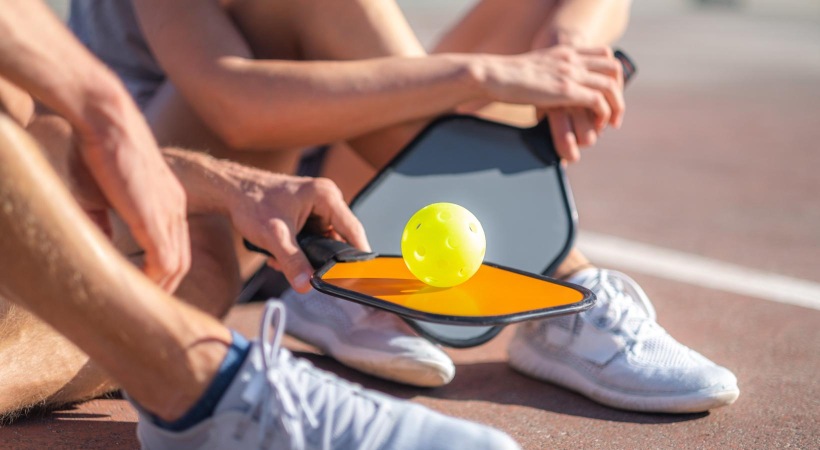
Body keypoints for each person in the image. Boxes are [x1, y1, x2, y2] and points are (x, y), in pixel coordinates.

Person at [65, 0, 740, 414]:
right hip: (182, 180)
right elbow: (232, 105)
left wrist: (569, 50)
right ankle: (561, 281)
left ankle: (352, 281)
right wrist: (481, 76)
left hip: (332, 162)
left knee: (540, 16)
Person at [0, 2, 524, 448]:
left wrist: (217, 181)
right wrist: (476, 74)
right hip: (161, 125)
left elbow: (33, 121)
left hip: (126, 153)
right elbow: (233, 102)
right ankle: (199, 377)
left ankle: (202, 363)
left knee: (193, 257)